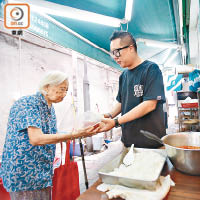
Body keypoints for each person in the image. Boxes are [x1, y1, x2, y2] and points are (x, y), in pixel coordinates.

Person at [0, 71, 96, 200]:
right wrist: (73, 135)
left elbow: (51, 135)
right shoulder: (29, 103)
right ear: (46, 87)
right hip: (24, 172)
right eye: (61, 89)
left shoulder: (49, 108)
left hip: (41, 170)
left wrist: (78, 132)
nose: (64, 94)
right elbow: (36, 138)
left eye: (66, 91)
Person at [99, 31, 166, 148]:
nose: (115, 57)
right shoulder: (123, 76)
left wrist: (116, 122)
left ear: (130, 48)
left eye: (117, 52)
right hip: (128, 141)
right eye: (112, 53)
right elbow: (121, 102)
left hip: (150, 143)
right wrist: (108, 115)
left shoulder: (151, 69)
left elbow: (149, 104)